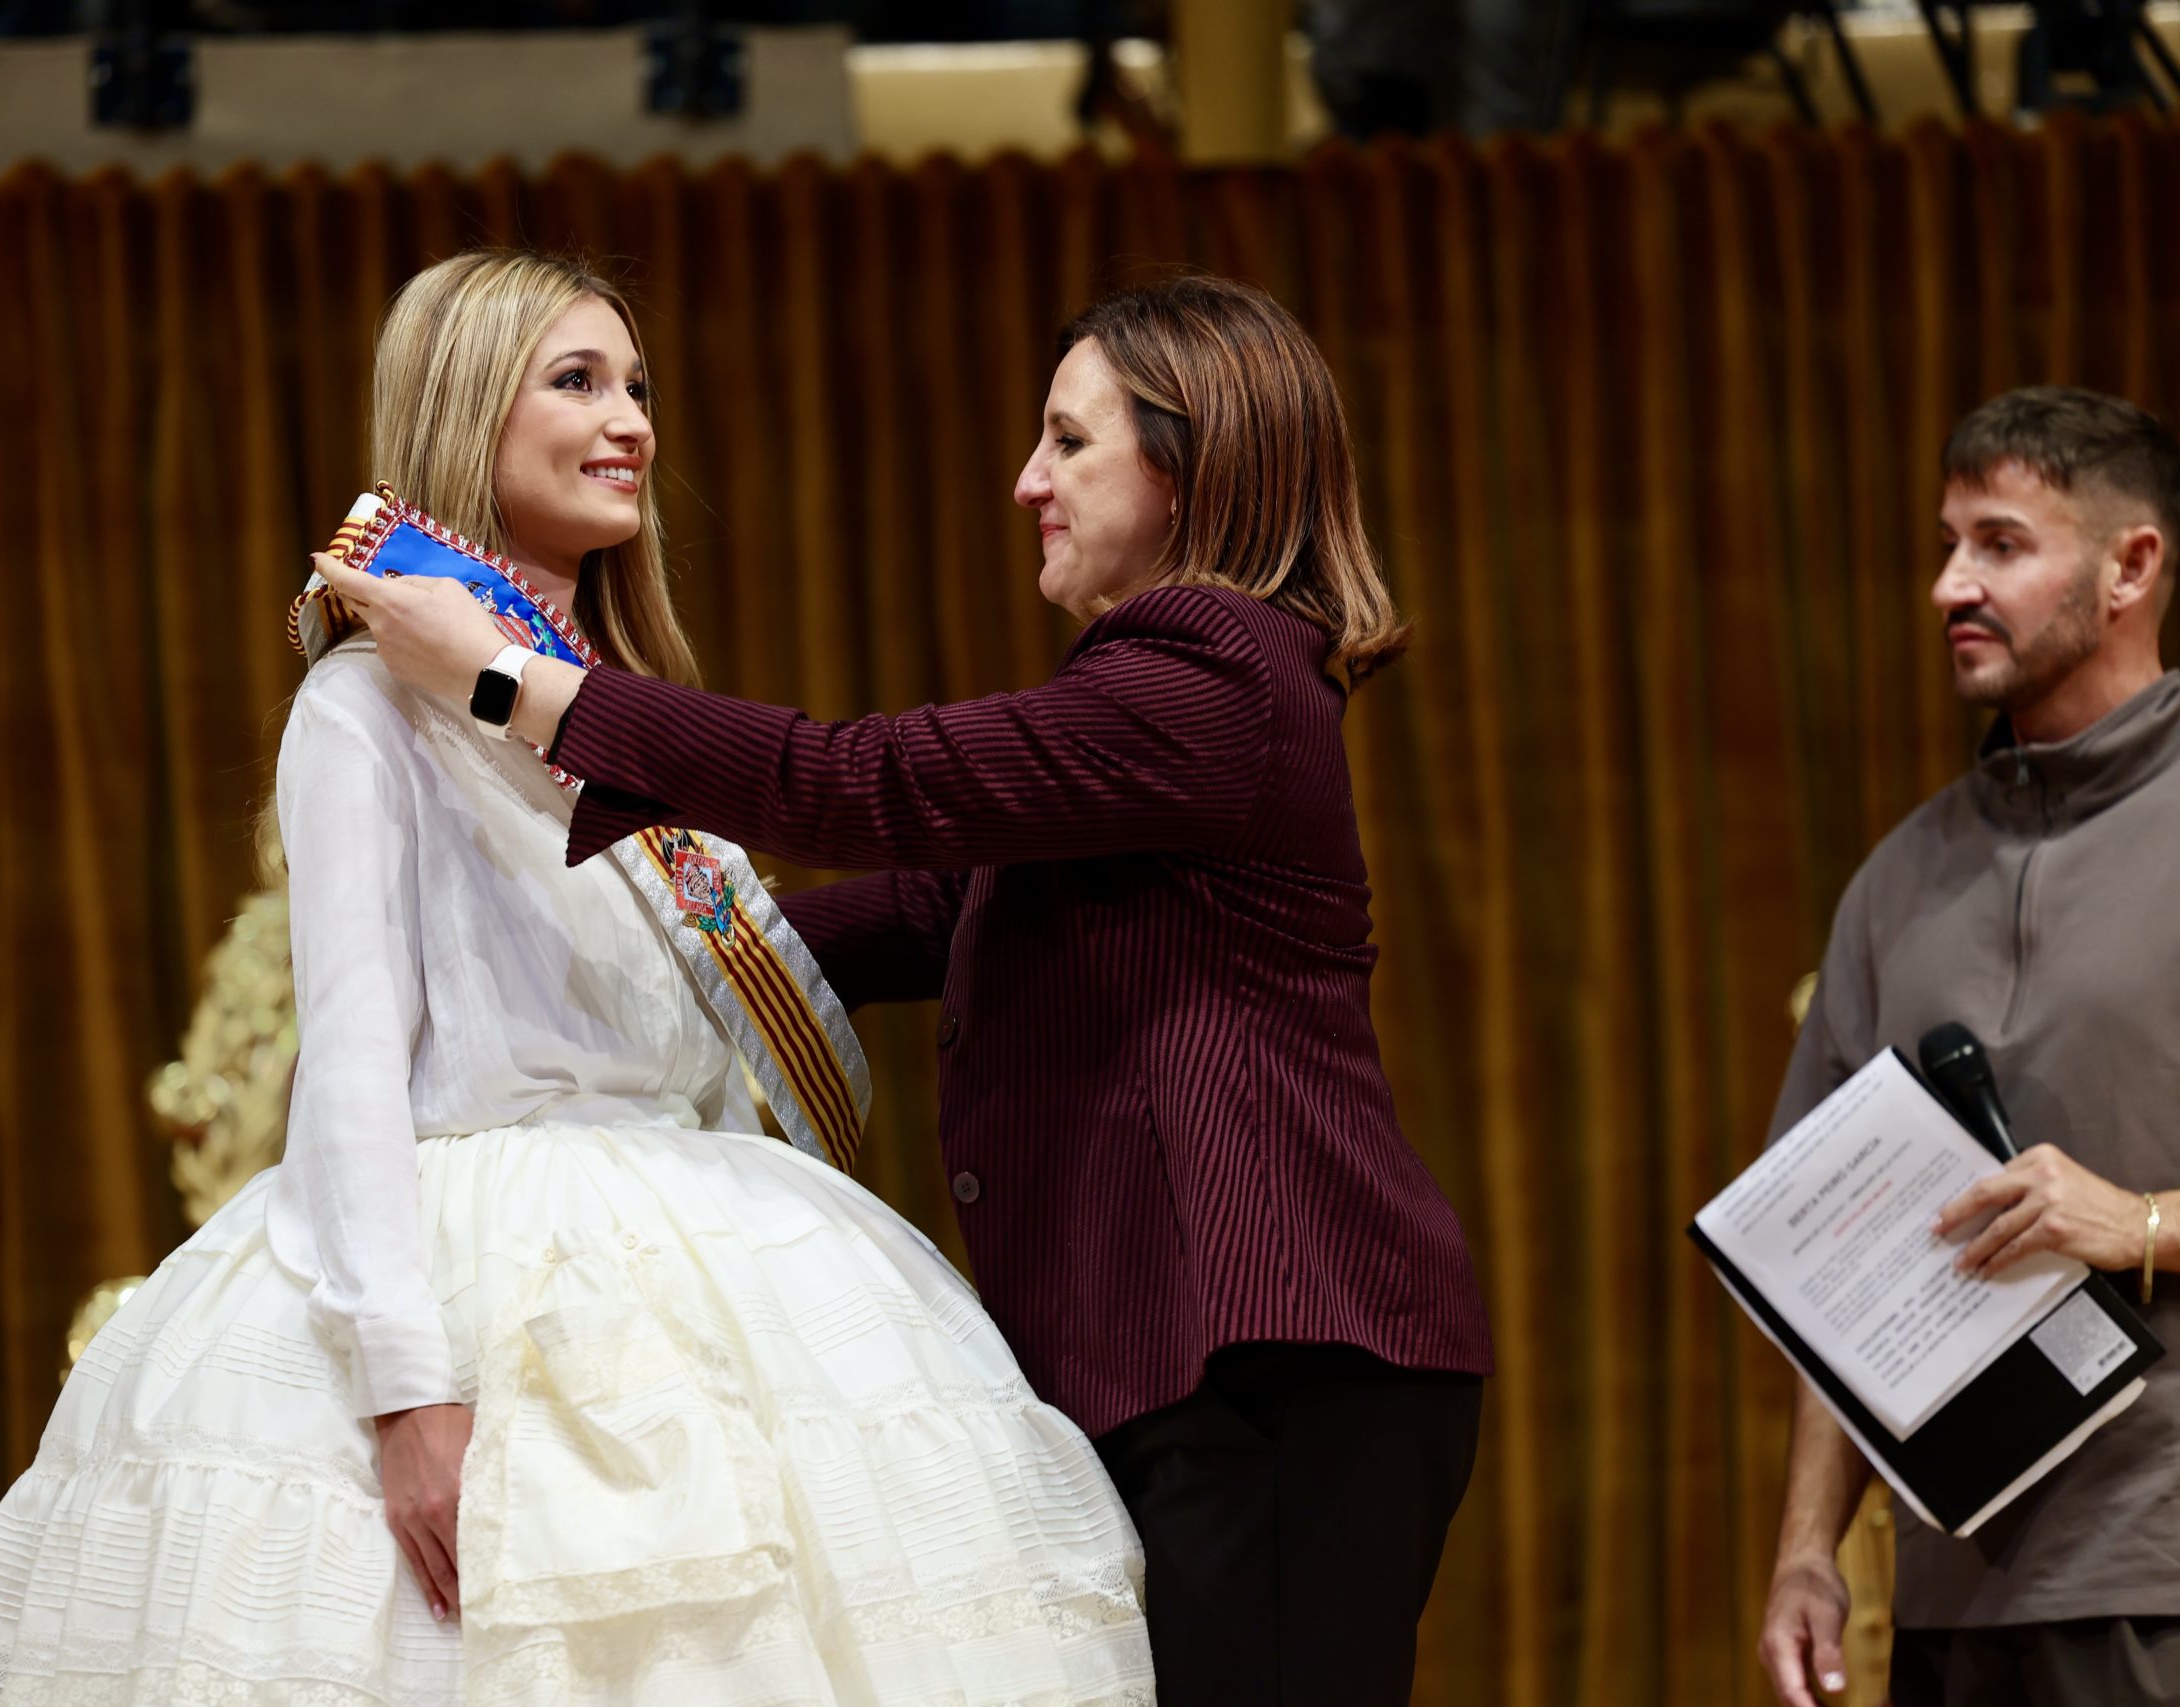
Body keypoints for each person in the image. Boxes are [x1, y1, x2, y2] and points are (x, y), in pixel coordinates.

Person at [0, 250, 1154, 1707]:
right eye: (577, 382)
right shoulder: (365, 704)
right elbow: (353, 1062)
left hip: (692, 1244)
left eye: (637, 385)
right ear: (466, 411)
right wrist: (407, 1389)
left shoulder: (613, 705)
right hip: (470, 1260)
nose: (631, 420)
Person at [324, 273, 1494, 1707]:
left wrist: (510, 683)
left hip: (1273, 1355)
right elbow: (923, 911)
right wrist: (582, 971)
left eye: (1070, 441)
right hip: (1210, 1364)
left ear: (1191, 467)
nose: (1028, 482)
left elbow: (862, 784)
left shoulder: (1210, 677)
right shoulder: (1179, 694)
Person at [1754, 386, 2180, 1707]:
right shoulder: (1898, 879)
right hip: (1957, 1598)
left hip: (2159, 1571)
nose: (1951, 585)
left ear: (2131, 567)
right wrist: (1807, 1550)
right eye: (1947, 545)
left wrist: (2144, 1224)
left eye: (2000, 544)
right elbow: (1839, 1266)